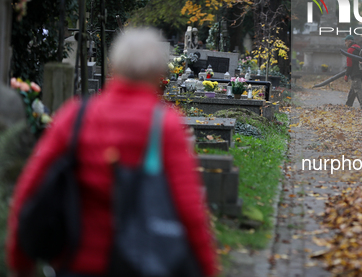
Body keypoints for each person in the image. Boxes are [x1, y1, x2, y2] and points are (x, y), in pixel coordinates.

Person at [7, 28, 219, 277]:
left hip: (76, 264)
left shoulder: (75, 117)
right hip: (140, 265)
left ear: (115, 67)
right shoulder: (165, 126)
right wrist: (207, 269)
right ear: (157, 74)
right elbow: (190, 210)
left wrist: (20, 263)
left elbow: (30, 190)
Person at [343, 35, 362, 111]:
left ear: (349, 41)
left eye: (346, 41)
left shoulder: (350, 50)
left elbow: (349, 64)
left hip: (355, 72)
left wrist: (346, 74)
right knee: (353, 89)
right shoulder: (358, 47)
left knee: (358, 89)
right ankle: (348, 105)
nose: (345, 43)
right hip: (361, 70)